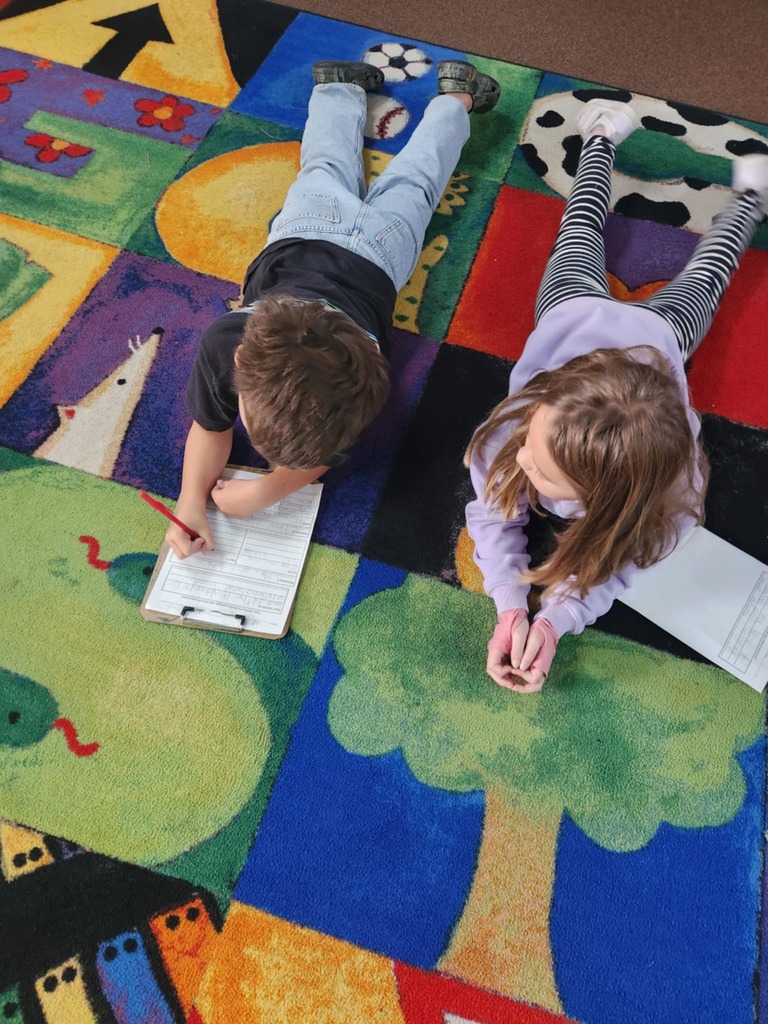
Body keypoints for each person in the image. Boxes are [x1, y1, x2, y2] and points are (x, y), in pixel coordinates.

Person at [465, 97, 768, 693]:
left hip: (660, 337)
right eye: (533, 443)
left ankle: (752, 197)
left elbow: (621, 558)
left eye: (543, 474)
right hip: (570, 317)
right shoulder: (518, 426)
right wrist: (509, 603)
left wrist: (552, 623)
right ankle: (601, 134)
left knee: (714, 266)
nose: (520, 457)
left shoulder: (670, 502)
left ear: (611, 498)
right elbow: (494, 508)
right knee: (578, 229)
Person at [166, 58, 501, 559]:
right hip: (320, 232)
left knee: (383, 177)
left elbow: (211, 426)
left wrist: (266, 489)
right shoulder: (235, 344)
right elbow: (218, 427)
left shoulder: (345, 376)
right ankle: (436, 98)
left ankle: (400, 94)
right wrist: (190, 499)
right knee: (359, 172)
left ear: (242, 363)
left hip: (372, 250)